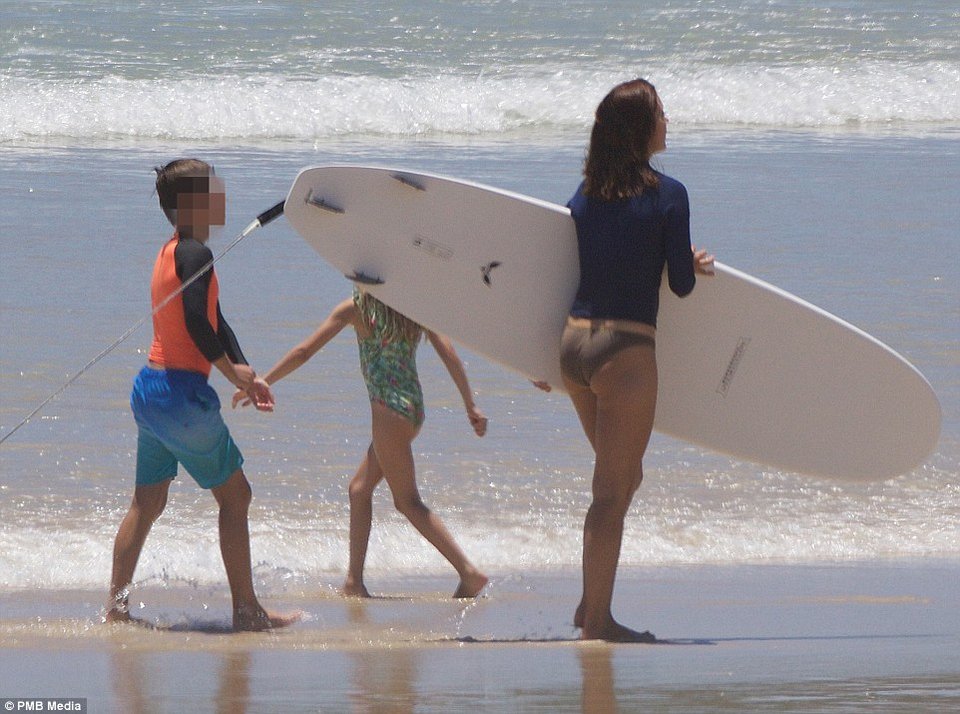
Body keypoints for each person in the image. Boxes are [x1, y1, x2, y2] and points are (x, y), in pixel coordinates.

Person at [105, 158, 298, 631]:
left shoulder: (173, 251)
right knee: (237, 497)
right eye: (214, 190)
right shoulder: (196, 255)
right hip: (182, 395)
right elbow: (195, 320)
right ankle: (246, 611)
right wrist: (230, 373)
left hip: (150, 390)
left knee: (146, 503)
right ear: (192, 204)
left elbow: (215, 318)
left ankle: (116, 610)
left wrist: (246, 373)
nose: (223, 198)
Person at [559, 79, 715, 642]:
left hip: (573, 347)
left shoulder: (584, 193)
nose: (667, 123)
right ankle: (598, 623)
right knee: (609, 491)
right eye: (661, 114)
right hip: (624, 354)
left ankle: (587, 604)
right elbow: (679, 284)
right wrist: (691, 260)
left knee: (626, 477)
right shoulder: (669, 194)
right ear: (642, 129)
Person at [235, 289, 489, 599]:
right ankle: (354, 583)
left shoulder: (356, 309)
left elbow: (304, 351)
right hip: (411, 409)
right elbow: (448, 351)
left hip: (387, 413)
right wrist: (470, 404)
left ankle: (468, 572)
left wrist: (265, 380)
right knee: (359, 490)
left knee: (407, 502)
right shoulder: (412, 305)